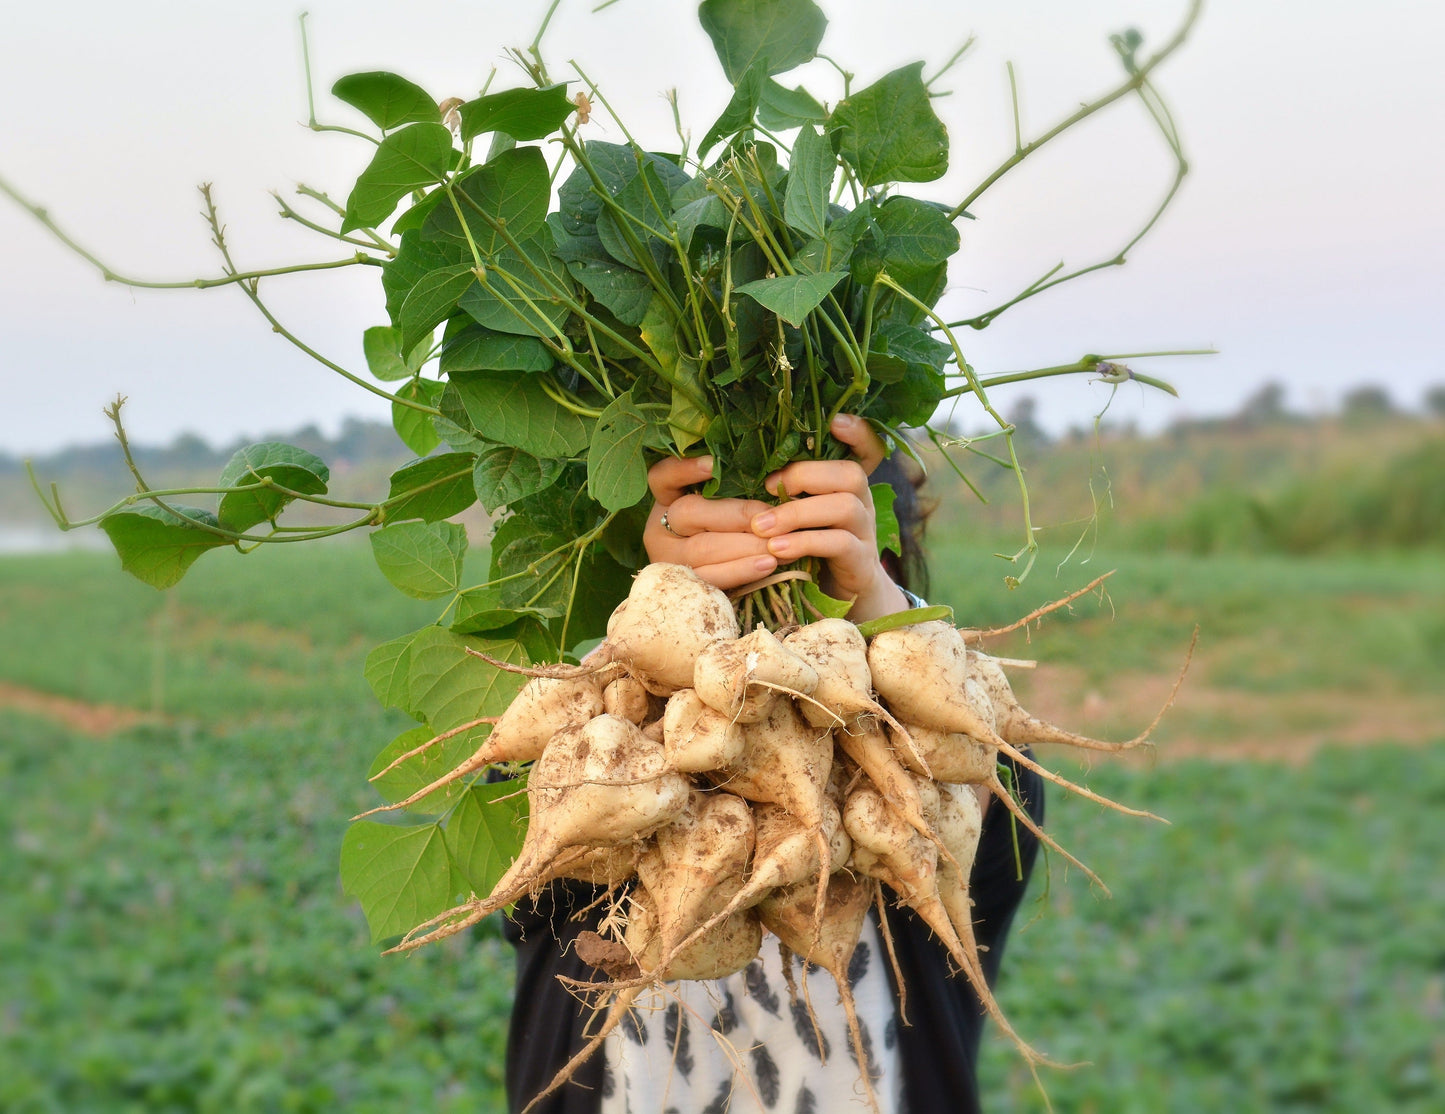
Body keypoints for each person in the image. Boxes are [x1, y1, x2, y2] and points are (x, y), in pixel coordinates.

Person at [503, 416, 1044, 1113]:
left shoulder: (918, 790)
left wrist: (884, 615)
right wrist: (655, 617)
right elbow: (524, 825)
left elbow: (997, 796)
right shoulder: (612, 745)